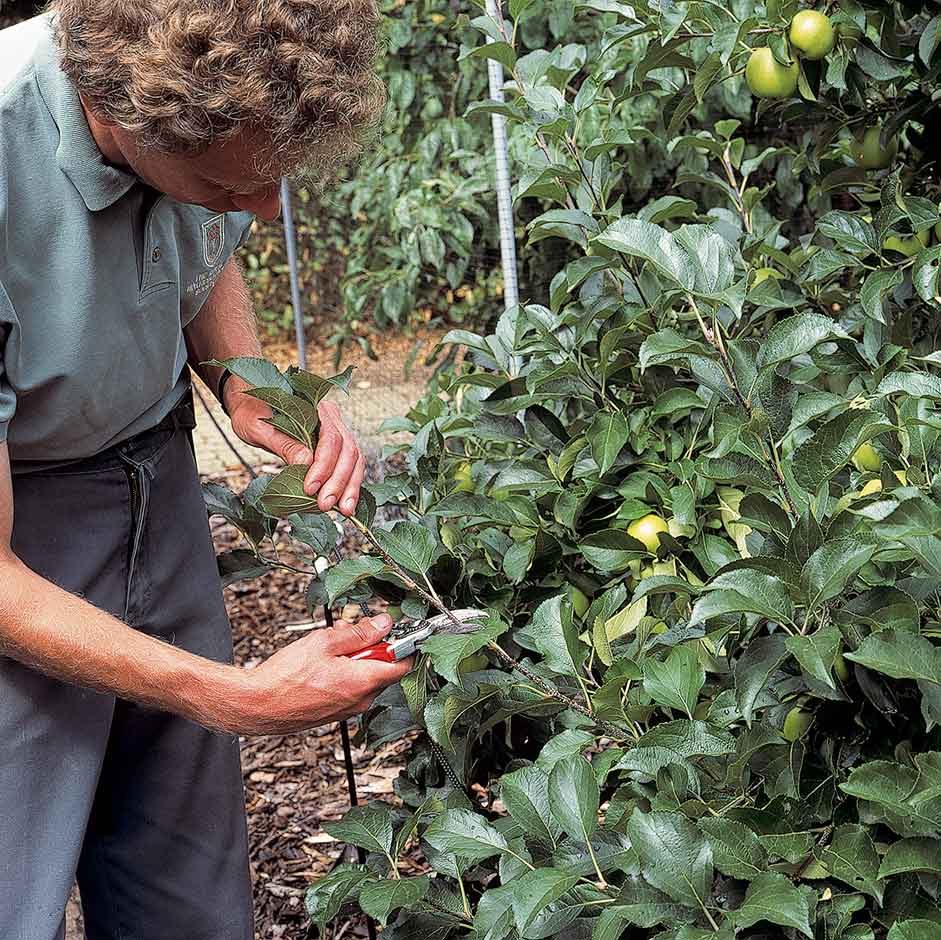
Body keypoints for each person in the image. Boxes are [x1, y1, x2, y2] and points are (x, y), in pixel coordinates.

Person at [0, 2, 410, 937]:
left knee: (181, 881)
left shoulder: (191, 122)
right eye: (234, 187)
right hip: (21, 527)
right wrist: (237, 699)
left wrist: (244, 380)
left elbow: (195, 224)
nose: (267, 210)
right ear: (116, 111)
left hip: (155, 474)